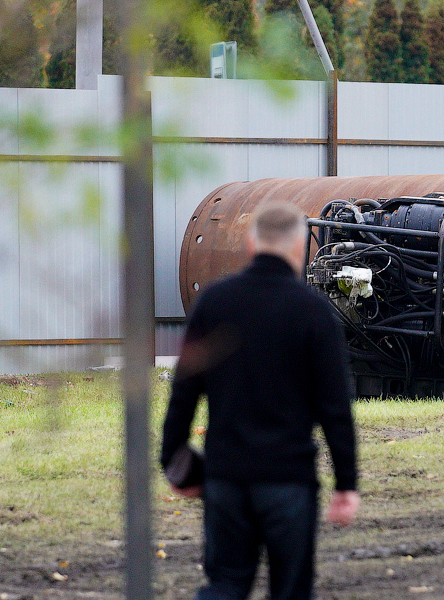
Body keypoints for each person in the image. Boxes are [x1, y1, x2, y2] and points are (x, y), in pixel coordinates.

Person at [160, 201, 360, 600]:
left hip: (226, 477)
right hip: (288, 479)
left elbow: (184, 391)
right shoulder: (313, 312)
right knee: (291, 591)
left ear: (251, 244)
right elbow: (335, 407)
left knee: (226, 585)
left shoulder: (214, 303)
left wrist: (174, 462)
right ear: (300, 247)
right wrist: (346, 484)